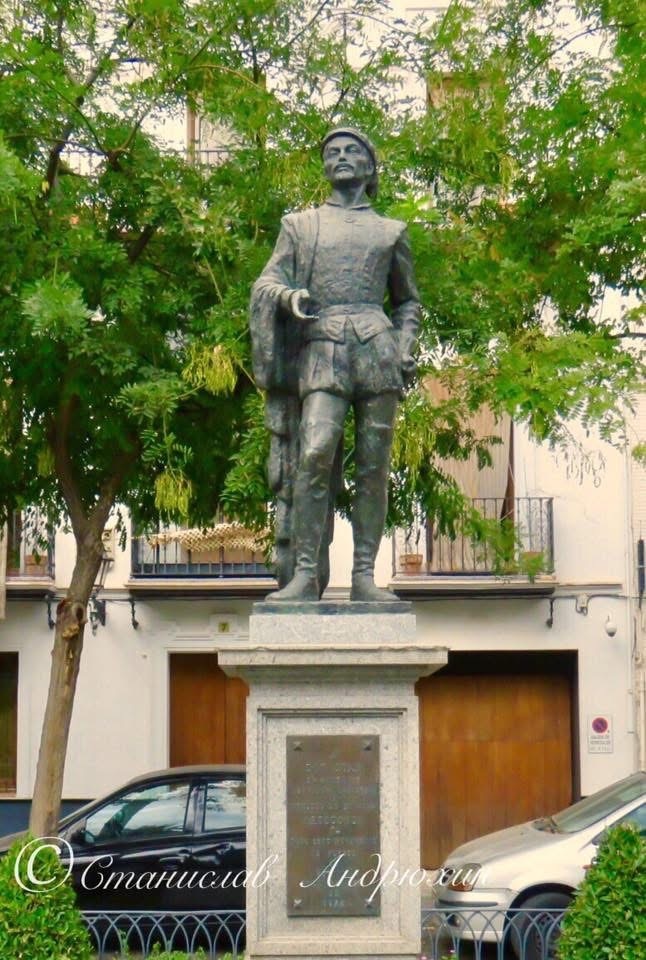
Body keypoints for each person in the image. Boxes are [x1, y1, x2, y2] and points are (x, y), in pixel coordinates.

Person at [249, 128, 420, 601]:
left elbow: (407, 302)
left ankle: (364, 575)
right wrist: (288, 297)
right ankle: (305, 574)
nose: (341, 157)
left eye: (351, 151)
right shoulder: (299, 226)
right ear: (324, 166)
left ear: (369, 166)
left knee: (373, 467)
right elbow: (267, 281)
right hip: (322, 348)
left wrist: (405, 345)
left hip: (377, 352)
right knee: (315, 452)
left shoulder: (391, 231)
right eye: (332, 152)